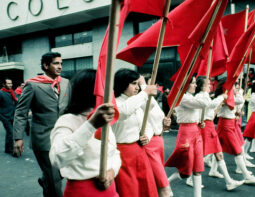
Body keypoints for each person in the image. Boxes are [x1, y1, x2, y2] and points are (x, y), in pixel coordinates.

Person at [49, 69, 121, 197]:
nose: (111, 93)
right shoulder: (68, 120)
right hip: (82, 190)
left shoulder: (104, 120)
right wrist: (90, 126)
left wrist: (111, 172)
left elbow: (114, 152)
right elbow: (57, 158)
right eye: (105, 87)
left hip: (109, 189)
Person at [13, 52, 71, 197]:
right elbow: (20, 112)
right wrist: (18, 138)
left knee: (59, 173)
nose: (60, 66)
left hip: (63, 136)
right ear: (46, 65)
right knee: (54, 178)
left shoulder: (65, 83)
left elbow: (69, 107)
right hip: (43, 139)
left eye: (61, 63)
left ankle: (45, 181)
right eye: (56, 63)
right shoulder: (32, 85)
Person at [112, 68, 158, 197]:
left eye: (137, 83)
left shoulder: (136, 100)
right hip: (122, 154)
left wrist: (147, 136)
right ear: (122, 83)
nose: (137, 87)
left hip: (139, 151)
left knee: (145, 189)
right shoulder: (114, 102)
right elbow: (124, 112)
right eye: (133, 83)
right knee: (129, 191)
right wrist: (144, 92)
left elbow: (150, 113)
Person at [194, 77, 244, 191]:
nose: (210, 85)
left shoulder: (206, 95)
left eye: (210, 83)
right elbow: (209, 105)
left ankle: (229, 181)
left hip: (210, 125)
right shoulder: (200, 96)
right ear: (201, 86)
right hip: (204, 126)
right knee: (199, 155)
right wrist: (221, 97)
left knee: (219, 154)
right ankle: (190, 178)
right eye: (207, 84)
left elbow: (212, 105)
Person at [166, 76, 210, 197]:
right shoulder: (182, 97)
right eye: (193, 83)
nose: (196, 85)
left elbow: (196, 110)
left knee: (198, 169)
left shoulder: (190, 97)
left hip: (195, 131)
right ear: (186, 85)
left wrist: (199, 121)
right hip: (185, 133)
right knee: (186, 171)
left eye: (196, 83)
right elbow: (204, 103)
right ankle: (165, 185)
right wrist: (205, 91)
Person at [215, 79, 255, 185]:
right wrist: (239, 93)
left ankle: (213, 170)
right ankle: (247, 176)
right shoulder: (225, 96)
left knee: (218, 150)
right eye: (232, 86)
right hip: (225, 126)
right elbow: (240, 101)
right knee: (238, 151)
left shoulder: (227, 96)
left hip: (228, 124)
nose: (234, 88)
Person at [140, 76, 172, 197]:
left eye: (157, 84)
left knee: (157, 185)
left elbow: (155, 122)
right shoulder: (144, 101)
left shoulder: (153, 100)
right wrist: (144, 86)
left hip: (159, 143)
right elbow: (149, 106)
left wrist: (165, 124)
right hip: (149, 145)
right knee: (164, 188)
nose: (156, 86)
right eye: (153, 83)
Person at [0, 78, 17, 155]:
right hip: (4, 116)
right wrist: (2, 116)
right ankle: (10, 149)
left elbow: (16, 102)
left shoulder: (12, 92)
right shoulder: (1, 93)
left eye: (11, 83)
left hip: (12, 116)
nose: (11, 85)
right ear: (4, 84)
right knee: (10, 132)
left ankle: (7, 148)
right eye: (8, 83)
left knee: (9, 132)